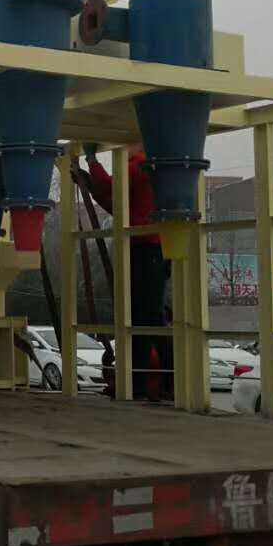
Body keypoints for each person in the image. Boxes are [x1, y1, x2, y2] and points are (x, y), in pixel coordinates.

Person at [79, 144, 171, 400]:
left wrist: (92, 161)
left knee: (144, 318)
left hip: (145, 250)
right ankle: (152, 382)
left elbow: (112, 187)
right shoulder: (146, 171)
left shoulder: (140, 165)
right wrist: (92, 183)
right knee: (147, 318)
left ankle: (143, 383)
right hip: (149, 250)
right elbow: (117, 204)